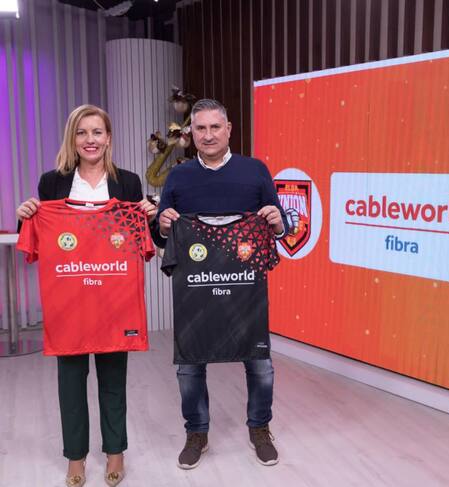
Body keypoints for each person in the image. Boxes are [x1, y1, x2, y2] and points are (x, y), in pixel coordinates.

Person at [16, 104, 157, 487]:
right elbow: (42, 235)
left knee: (113, 380)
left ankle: (115, 452)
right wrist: (26, 214)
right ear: (72, 139)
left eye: (97, 132)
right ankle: (75, 458)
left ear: (108, 138)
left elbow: (145, 240)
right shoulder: (52, 182)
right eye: (82, 132)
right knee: (70, 382)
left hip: (113, 302)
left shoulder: (127, 183)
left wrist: (149, 215)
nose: (90, 140)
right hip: (69, 303)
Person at [154, 98, 287, 469]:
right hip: (196, 287)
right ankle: (196, 432)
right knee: (189, 364)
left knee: (259, 363)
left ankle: (260, 428)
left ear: (229, 129)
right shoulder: (178, 177)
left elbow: (279, 224)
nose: (208, 135)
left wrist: (278, 222)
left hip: (245, 287)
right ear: (192, 132)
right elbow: (161, 235)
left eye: (215, 127)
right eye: (200, 128)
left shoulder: (255, 171)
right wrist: (162, 226)